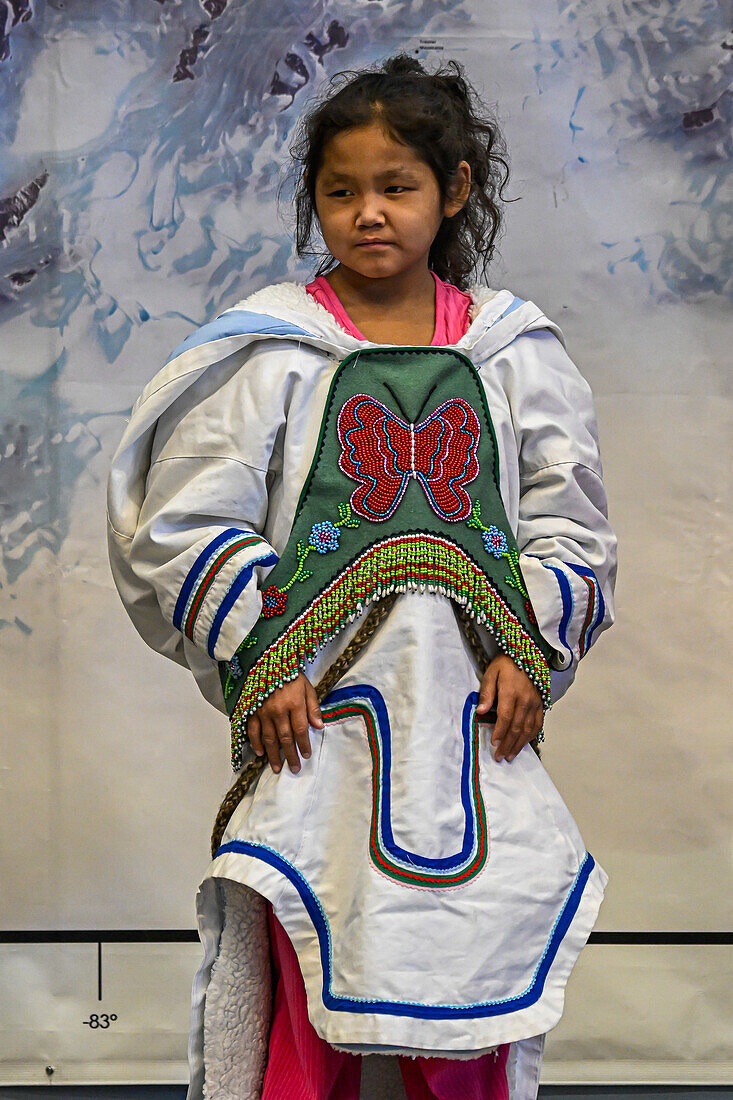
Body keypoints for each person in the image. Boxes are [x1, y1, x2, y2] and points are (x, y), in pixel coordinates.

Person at [107, 54, 617, 1100]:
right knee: (312, 947)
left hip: (474, 728)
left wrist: (531, 650)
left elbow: (572, 523)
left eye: (396, 187)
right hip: (318, 721)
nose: (368, 214)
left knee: (467, 967)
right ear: (315, 201)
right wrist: (266, 654)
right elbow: (188, 520)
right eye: (341, 192)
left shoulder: (514, 353)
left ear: (454, 192)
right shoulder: (270, 353)